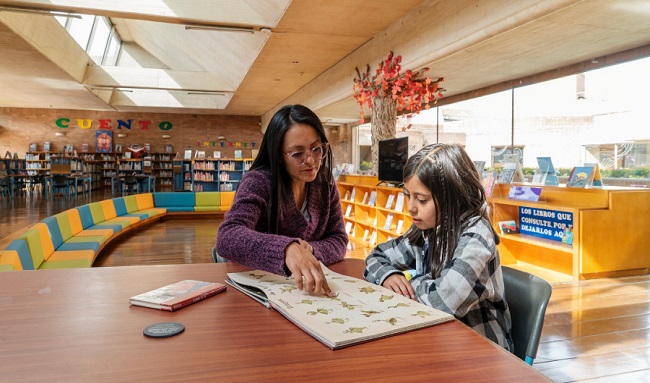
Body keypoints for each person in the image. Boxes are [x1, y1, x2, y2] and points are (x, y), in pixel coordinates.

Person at [363, 143, 513, 350]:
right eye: (407, 195)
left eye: (422, 200)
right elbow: (376, 256)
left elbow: (443, 301)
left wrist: (410, 283)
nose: (411, 208)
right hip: (435, 336)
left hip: (479, 350)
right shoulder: (426, 227)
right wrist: (388, 276)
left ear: (452, 197)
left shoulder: (476, 236)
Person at [216, 104, 348, 296]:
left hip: (304, 290)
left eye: (316, 149)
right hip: (255, 289)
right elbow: (227, 236)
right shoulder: (259, 182)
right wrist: (287, 249)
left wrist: (308, 251)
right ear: (278, 155)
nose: (310, 160)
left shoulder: (324, 181)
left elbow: (338, 239)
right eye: (297, 154)